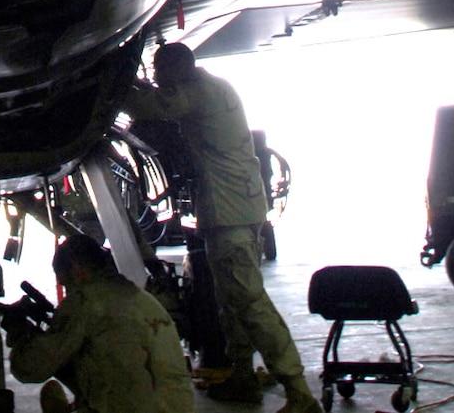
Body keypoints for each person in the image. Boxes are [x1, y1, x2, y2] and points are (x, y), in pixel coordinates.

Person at [122, 42, 318, 412]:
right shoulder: (209, 85)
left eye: (160, 72)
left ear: (177, 70)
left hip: (231, 215)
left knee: (249, 301)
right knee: (230, 301)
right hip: (231, 210)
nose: (157, 79)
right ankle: (243, 376)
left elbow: (155, 107)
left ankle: (298, 391)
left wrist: (116, 81)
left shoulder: (198, 93)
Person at [6, 234, 194, 413]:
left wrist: (20, 335)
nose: (68, 290)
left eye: (66, 283)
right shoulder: (137, 296)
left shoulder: (85, 301)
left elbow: (31, 368)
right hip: (175, 405)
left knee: (55, 381)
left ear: (78, 271)